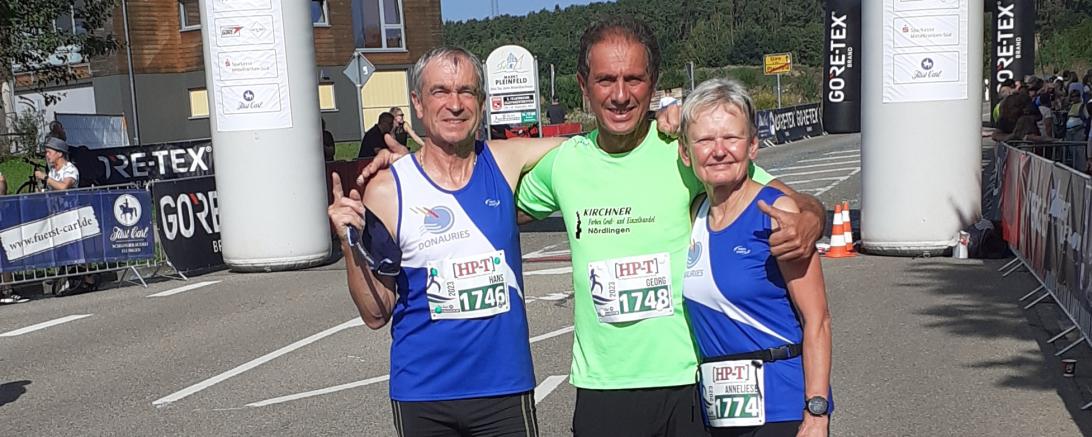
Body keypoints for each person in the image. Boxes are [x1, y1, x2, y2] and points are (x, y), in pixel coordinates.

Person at [515, 17, 825, 436]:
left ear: (653, 83)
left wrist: (812, 217)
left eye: (634, 79)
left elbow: (786, 199)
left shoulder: (683, 150)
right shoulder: (565, 163)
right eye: (606, 80)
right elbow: (488, 208)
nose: (621, 95)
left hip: (687, 382)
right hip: (604, 386)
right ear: (583, 85)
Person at [328, 47, 565, 437]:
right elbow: (375, 313)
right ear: (418, 104)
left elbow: (594, 146)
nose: (454, 104)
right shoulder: (387, 191)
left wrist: (665, 123)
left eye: (466, 92)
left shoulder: (506, 161)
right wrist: (349, 244)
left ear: (483, 103)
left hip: (503, 389)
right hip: (424, 393)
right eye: (440, 92)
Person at [678, 78, 832, 437]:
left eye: (731, 138)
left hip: (783, 408)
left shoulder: (777, 213)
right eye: (704, 140)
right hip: (721, 413)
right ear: (686, 153)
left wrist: (817, 411)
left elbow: (818, 320)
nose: (719, 150)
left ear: (753, 146)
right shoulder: (695, 212)